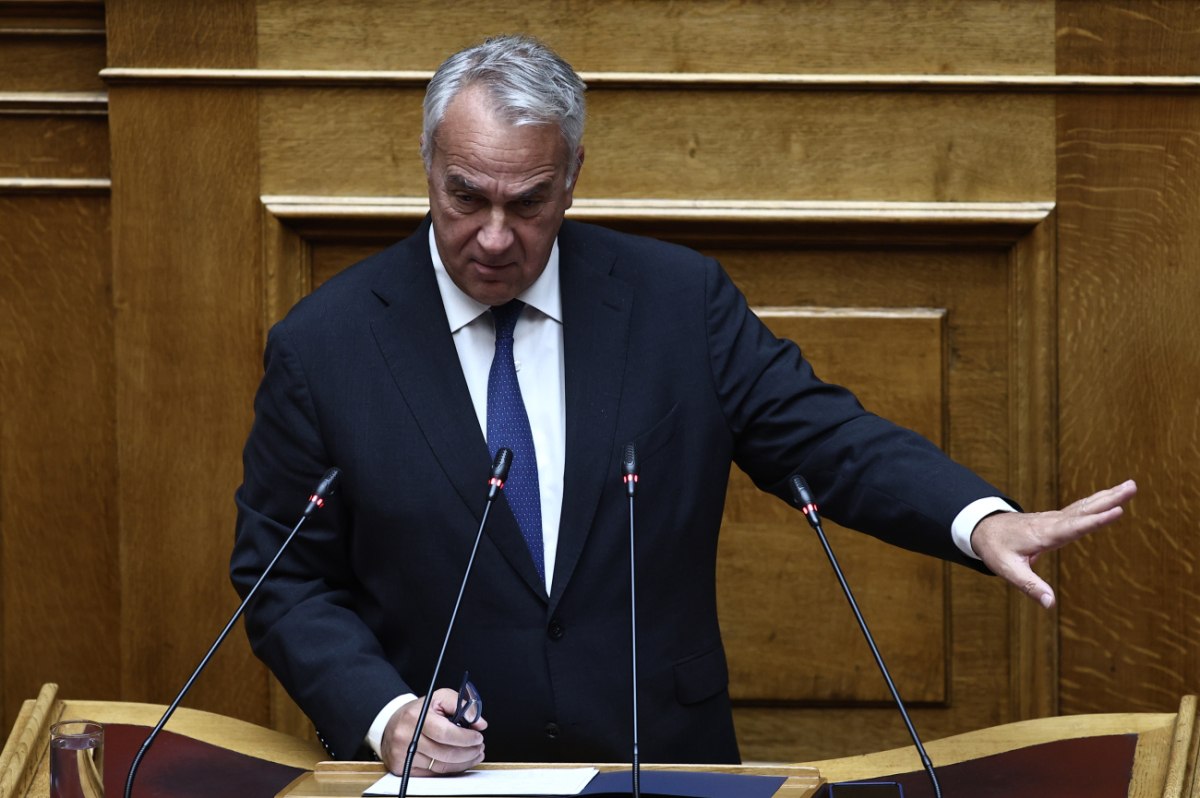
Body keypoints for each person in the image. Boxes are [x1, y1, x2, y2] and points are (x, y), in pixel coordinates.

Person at [230, 34, 1136, 775]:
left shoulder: (674, 303)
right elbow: (283, 578)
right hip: (444, 777)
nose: (495, 237)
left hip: (659, 760)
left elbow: (822, 437)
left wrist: (978, 520)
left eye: (529, 203)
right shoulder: (326, 346)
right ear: (428, 163)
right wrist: (386, 715)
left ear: (573, 176)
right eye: (466, 197)